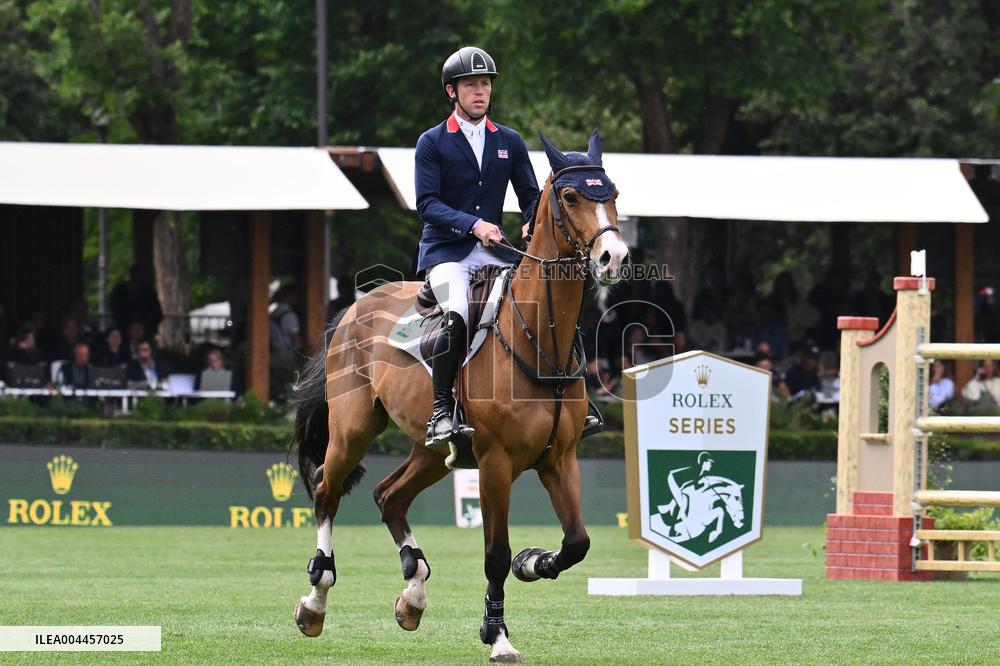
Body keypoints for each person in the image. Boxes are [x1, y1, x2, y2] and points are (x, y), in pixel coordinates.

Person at [414, 46, 542, 451]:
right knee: (457, 313)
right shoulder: (432, 142)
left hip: (494, 252)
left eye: (485, 84)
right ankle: (440, 410)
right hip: (445, 252)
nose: (480, 91)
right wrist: (473, 224)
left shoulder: (509, 140)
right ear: (452, 91)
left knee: (547, 298)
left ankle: (572, 397)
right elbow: (427, 203)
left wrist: (530, 219)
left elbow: (531, 194)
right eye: (471, 85)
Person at [110, 264, 163, 338]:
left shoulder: (148, 291)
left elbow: (157, 312)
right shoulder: (120, 290)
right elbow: (115, 309)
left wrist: (146, 326)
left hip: (146, 329)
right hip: (124, 329)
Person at [269, 285, 302, 360]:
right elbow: (295, 339)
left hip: (273, 352)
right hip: (285, 354)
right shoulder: (290, 316)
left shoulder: (273, 313)